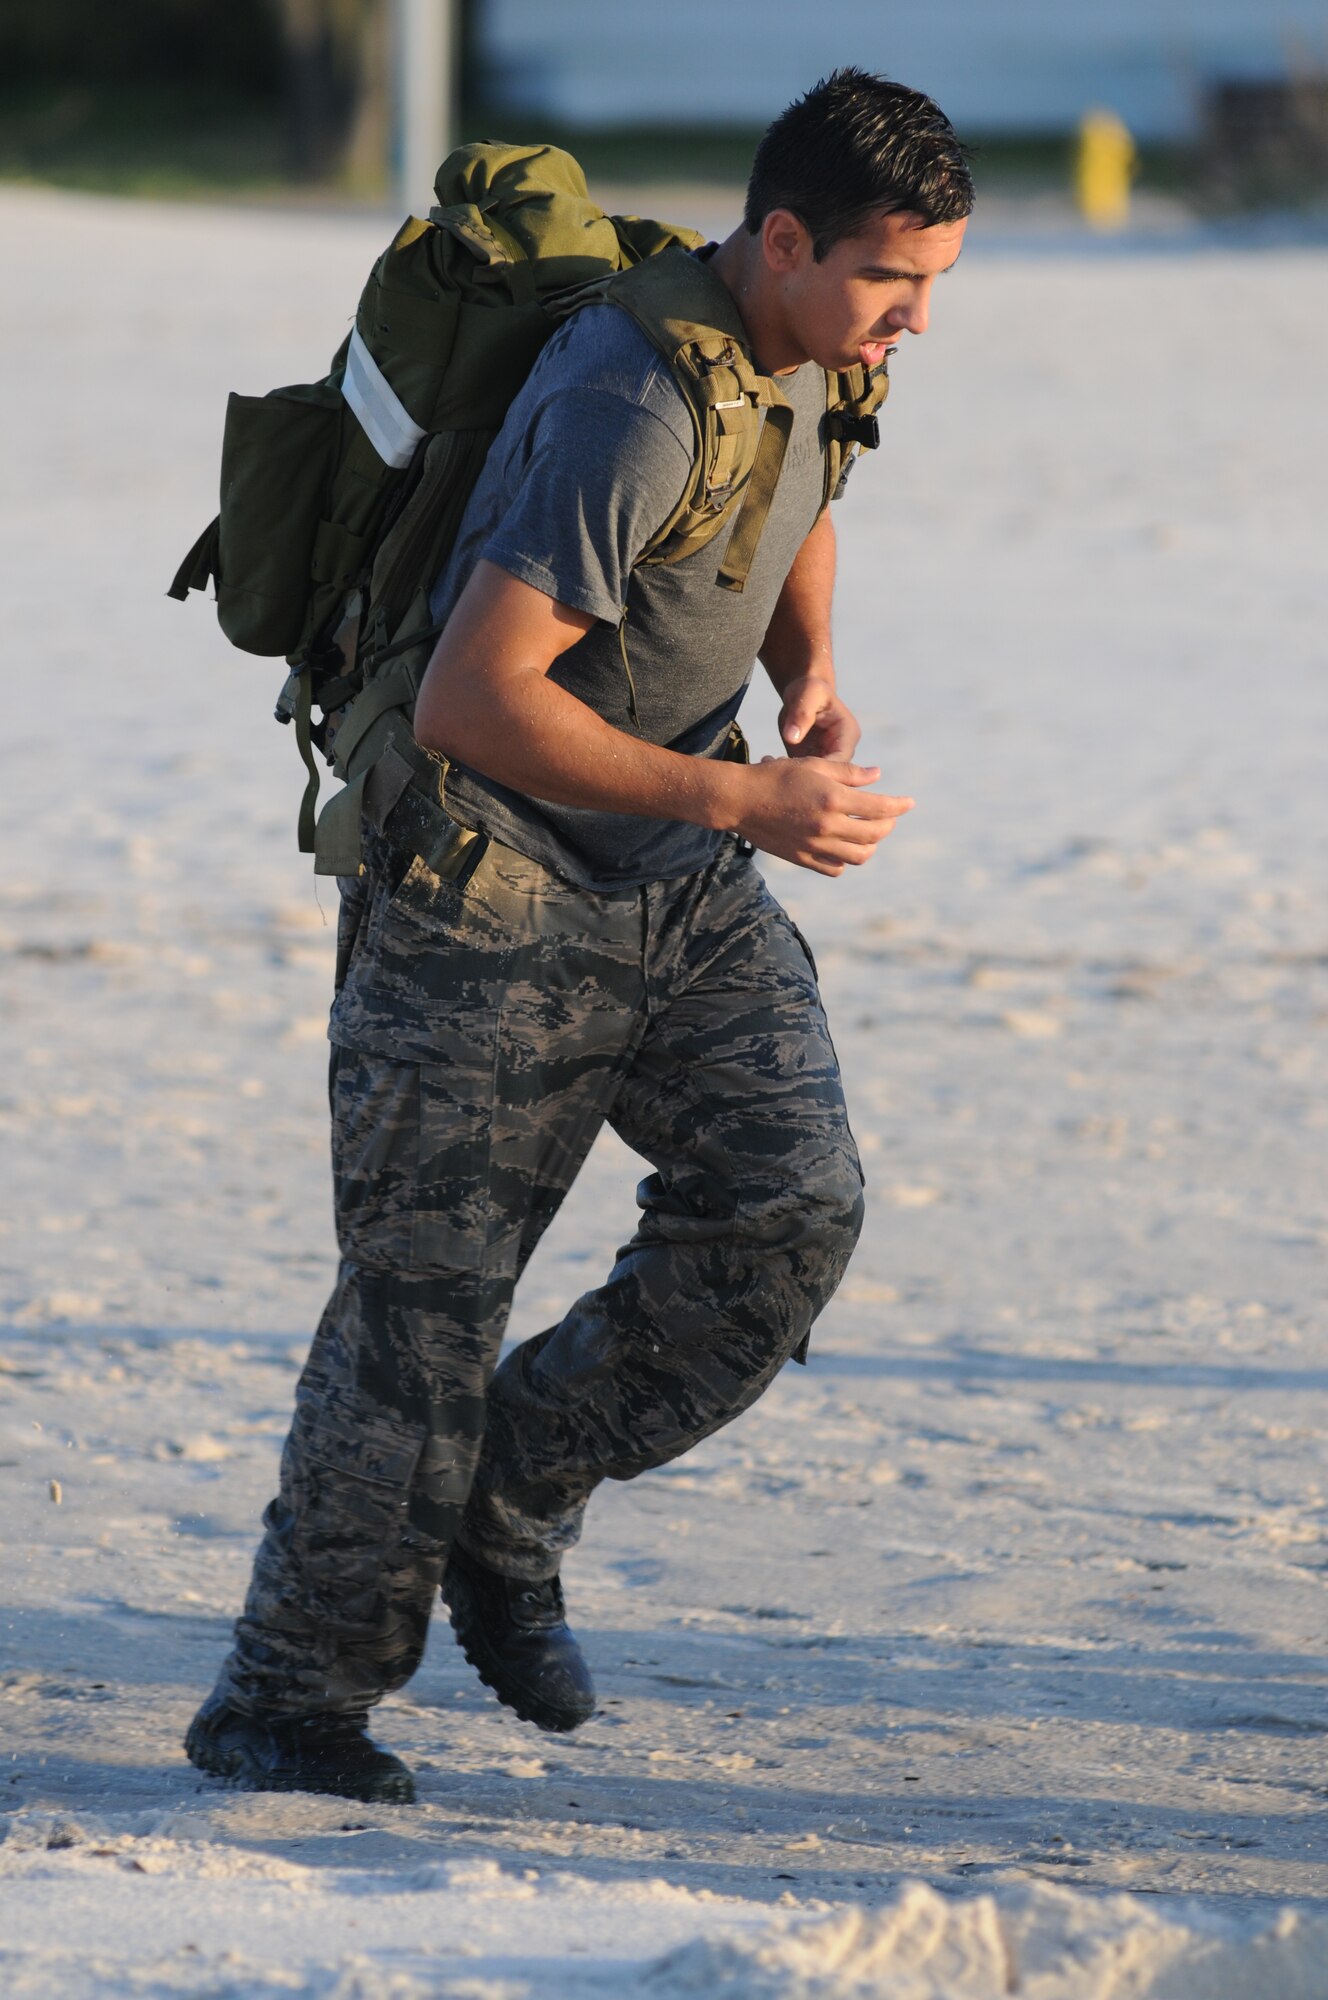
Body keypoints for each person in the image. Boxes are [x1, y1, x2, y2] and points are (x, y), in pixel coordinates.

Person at [185, 67, 972, 1804]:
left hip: (671, 871)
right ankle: (285, 1706)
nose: (912, 326)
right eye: (888, 286)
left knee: (789, 1207)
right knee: (421, 1315)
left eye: (934, 290)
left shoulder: (808, 351)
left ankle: (513, 1488)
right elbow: (476, 699)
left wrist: (809, 680)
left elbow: (800, 502)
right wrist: (747, 806)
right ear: (782, 240)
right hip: (481, 879)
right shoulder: (628, 391)